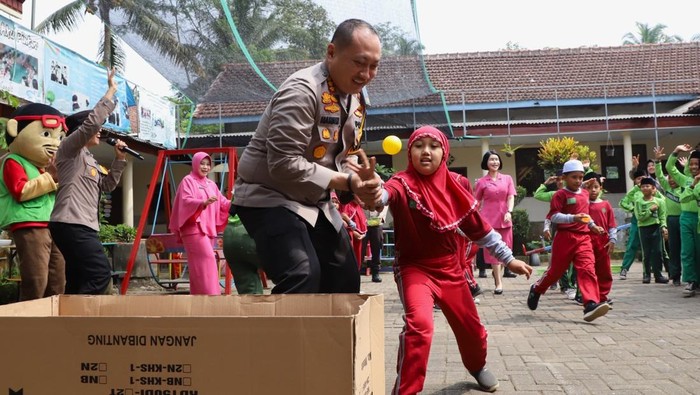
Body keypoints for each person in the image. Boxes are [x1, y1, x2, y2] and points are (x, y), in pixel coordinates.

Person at [231, 19, 383, 294]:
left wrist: (361, 184)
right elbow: (283, 164)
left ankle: (327, 338)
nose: (366, 74)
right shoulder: (301, 91)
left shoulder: (357, 98)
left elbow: (338, 158)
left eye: (374, 66)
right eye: (360, 63)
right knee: (301, 274)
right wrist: (347, 183)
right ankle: (278, 338)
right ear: (331, 52)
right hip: (268, 197)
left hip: (314, 203)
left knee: (346, 278)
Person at [377, 126, 532, 394]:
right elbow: (382, 196)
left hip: (450, 268)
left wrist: (508, 259)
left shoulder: (457, 185)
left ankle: (478, 366)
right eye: (418, 145)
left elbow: (479, 228)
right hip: (414, 269)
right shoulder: (400, 183)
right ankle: (405, 391)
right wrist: (370, 190)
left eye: (433, 146)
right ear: (410, 152)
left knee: (471, 329)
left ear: (444, 152)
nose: (426, 151)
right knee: (420, 327)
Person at [49, 68, 127, 295]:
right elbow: (92, 125)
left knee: (78, 278)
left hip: (83, 225)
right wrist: (111, 91)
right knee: (100, 274)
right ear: (79, 131)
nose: (100, 131)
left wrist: (119, 160)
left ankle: (69, 324)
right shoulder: (70, 149)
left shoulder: (89, 159)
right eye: (96, 129)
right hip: (71, 223)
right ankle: (83, 322)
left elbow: (107, 186)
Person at [526, 159, 610, 322]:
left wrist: (592, 226)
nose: (578, 181)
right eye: (574, 177)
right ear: (564, 178)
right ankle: (536, 289)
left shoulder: (585, 194)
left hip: (584, 238)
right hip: (564, 238)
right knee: (555, 272)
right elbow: (554, 216)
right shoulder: (560, 195)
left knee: (587, 269)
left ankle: (590, 304)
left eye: (580, 177)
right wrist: (573, 218)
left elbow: (585, 215)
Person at [0, 102, 67, 300]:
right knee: (36, 279)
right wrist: (52, 178)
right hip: (29, 224)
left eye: (60, 137)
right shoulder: (13, 160)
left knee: (58, 279)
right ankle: (28, 322)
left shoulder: (42, 168)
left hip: (52, 224)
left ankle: (52, 321)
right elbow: (20, 191)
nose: (55, 143)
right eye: (47, 135)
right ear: (14, 129)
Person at [169, 152, 232, 295]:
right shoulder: (188, 180)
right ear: (195, 164)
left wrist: (238, 202)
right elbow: (185, 201)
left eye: (207, 164)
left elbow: (222, 202)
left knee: (199, 268)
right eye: (202, 164)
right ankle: (212, 297)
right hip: (193, 230)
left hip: (208, 230)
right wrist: (202, 203)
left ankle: (199, 300)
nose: (205, 167)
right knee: (208, 261)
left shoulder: (211, 184)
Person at [474, 150, 517, 295]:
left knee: (506, 250)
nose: (495, 162)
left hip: (505, 219)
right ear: (486, 163)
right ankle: (498, 283)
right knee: (493, 253)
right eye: (491, 160)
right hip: (488, 220)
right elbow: (477, 201)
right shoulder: (481, 182)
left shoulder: (507, 179)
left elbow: (510, 196)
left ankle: (496, 273)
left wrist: (509, 212)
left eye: (497, 160)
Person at [666, 144, 700, 296]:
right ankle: (690, 281)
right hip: (685, 218)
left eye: (696, 164)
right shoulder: (685, 180)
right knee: (687, 251)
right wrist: (676, 150)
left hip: (698, 219)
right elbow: (669, 167)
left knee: (698, 251)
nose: (693, 166)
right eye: (691, 164)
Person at [583, 172, 616, 304]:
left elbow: (612, 224)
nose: (593, 190)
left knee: (604, 270)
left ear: (600, 188)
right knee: (589, 270)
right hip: (587, 242)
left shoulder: (606, 205)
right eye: (590, 187)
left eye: (596, 187)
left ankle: (602, 296)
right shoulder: (582, 205)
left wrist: (612, 240)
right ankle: (589, 297)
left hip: (603, 243)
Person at [653, 146, 684, 286]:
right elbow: (659, 175)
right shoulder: (667, 188)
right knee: (673, 248)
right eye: (669, 177)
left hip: (684, 220)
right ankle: (675, 275)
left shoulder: (684, 188)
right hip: (671, 220)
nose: (671, 180)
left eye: (674, 177)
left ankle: (689, 275)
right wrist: (657, 161)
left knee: (686, 250)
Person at [634, 177, 669, 284]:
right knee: (646, 253)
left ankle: (658, 275)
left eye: (647, 186)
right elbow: (639, 217)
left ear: (653, 188)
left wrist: (663, 227)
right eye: (643, 186)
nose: (645, 188)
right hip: (644, 228)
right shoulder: (638, 202)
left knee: (658, 252)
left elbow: (662, 216)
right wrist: (649, 210)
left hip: (656, 228)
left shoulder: (659, 201)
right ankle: (646, 275)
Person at [618, 167, 647, 280]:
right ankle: (624, 269)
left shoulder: (651, 187)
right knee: (632, 245)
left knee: (650, 247)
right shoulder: (633, 191)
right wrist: (633, 208)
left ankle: (648, 271)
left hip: (651, 221)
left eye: (643, 178)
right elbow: (623, 203)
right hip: (637, 220)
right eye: (638, 179)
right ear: (635, 181)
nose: (641, 181)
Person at [361, 205, 388, 283]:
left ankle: (376, 273)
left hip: (377, 222)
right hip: (363, 221)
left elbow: (385, 203)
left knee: (376, 248)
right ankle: (356, 271)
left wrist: (382, 217)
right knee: (360, 248)